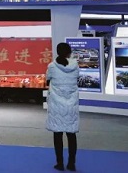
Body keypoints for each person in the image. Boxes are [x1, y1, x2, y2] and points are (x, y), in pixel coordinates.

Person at [46, 42, 79, 171]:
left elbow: (47, 80)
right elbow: (77, 79)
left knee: (57, 134)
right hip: (71, 104)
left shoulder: (52, 66)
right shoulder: (75, 66)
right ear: (69, 52)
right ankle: (72, 164)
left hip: (56, 104)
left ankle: (59, 163)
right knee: (71, 134)